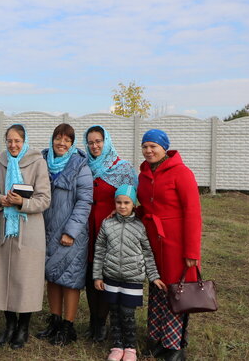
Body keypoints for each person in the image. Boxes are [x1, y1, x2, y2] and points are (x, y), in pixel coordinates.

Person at [137, 129, 202, 361]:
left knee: (177, 293)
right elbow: (145, 206)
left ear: (165, 148)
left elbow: (193, 212)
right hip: (153, 242)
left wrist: (191, 251)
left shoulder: (182, 173)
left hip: (176, 244)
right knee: (157, 290)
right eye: (145, 146)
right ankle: (156, 339)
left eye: (153, 146)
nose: (148, 150)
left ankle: (175, 345)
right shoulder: (143, 174)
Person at [0, 124, 51, 350]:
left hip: (28, 228)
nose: (13, 145)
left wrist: (21, 202)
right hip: (4, 228)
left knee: (26, 279)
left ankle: (23, 327)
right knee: (3, 276)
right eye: (9, 141)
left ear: (25, 142)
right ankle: (9, 325)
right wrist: (0, 201)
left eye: (17, 141)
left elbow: (44, 199)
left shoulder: (37, 162)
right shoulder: (1, 161)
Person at [93, 185, 166, 361]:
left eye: (127, 202)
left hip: (132, 278)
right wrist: (97, 275)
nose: (122, 206)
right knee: (115, 313)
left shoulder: (140, 226)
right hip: (111, 276)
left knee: (127, 313)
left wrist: (154, 276)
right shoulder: (107, 223)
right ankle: (117, 346)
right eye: (118, 202)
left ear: (134, 204)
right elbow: (100, 250)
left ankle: (130, 347)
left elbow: (148, 253)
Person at [36, 123, 93, 346]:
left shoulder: (80, 166)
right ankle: (55, 321)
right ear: (52, 139)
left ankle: (68, 327)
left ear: (72, 143)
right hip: (45, 230)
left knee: (70, 279)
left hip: (71, 233)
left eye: (67, 140)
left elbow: (84, 201)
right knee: (52, 276)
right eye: (58, 138)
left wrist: (71, 231)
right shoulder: (41, 162)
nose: (62, 143)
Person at [84, 125, 137, 342]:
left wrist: (118, 208)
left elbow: (133, 192)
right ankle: (93, 321)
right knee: (89, 273)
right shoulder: (84, 165)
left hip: (110, 226)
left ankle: (103, 322)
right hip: (87, 225)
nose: (94, 146)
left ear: (107, 142)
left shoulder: (121, 167)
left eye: (98, 141)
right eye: (90, 142)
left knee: (106, 273)